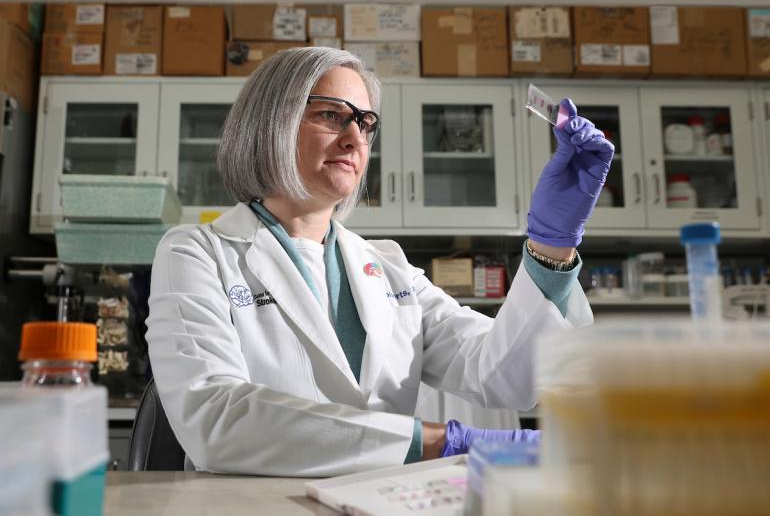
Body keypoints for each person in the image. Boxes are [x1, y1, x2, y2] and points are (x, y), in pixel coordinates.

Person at [145, 47, 614, 477]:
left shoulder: (389, 268)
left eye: (366, 123)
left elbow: (505, 377)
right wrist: (436, 443)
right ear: (271, 121)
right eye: (333, 115)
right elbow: (215, 418)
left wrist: (552, 244)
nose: (355, 139)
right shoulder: (197, 252)